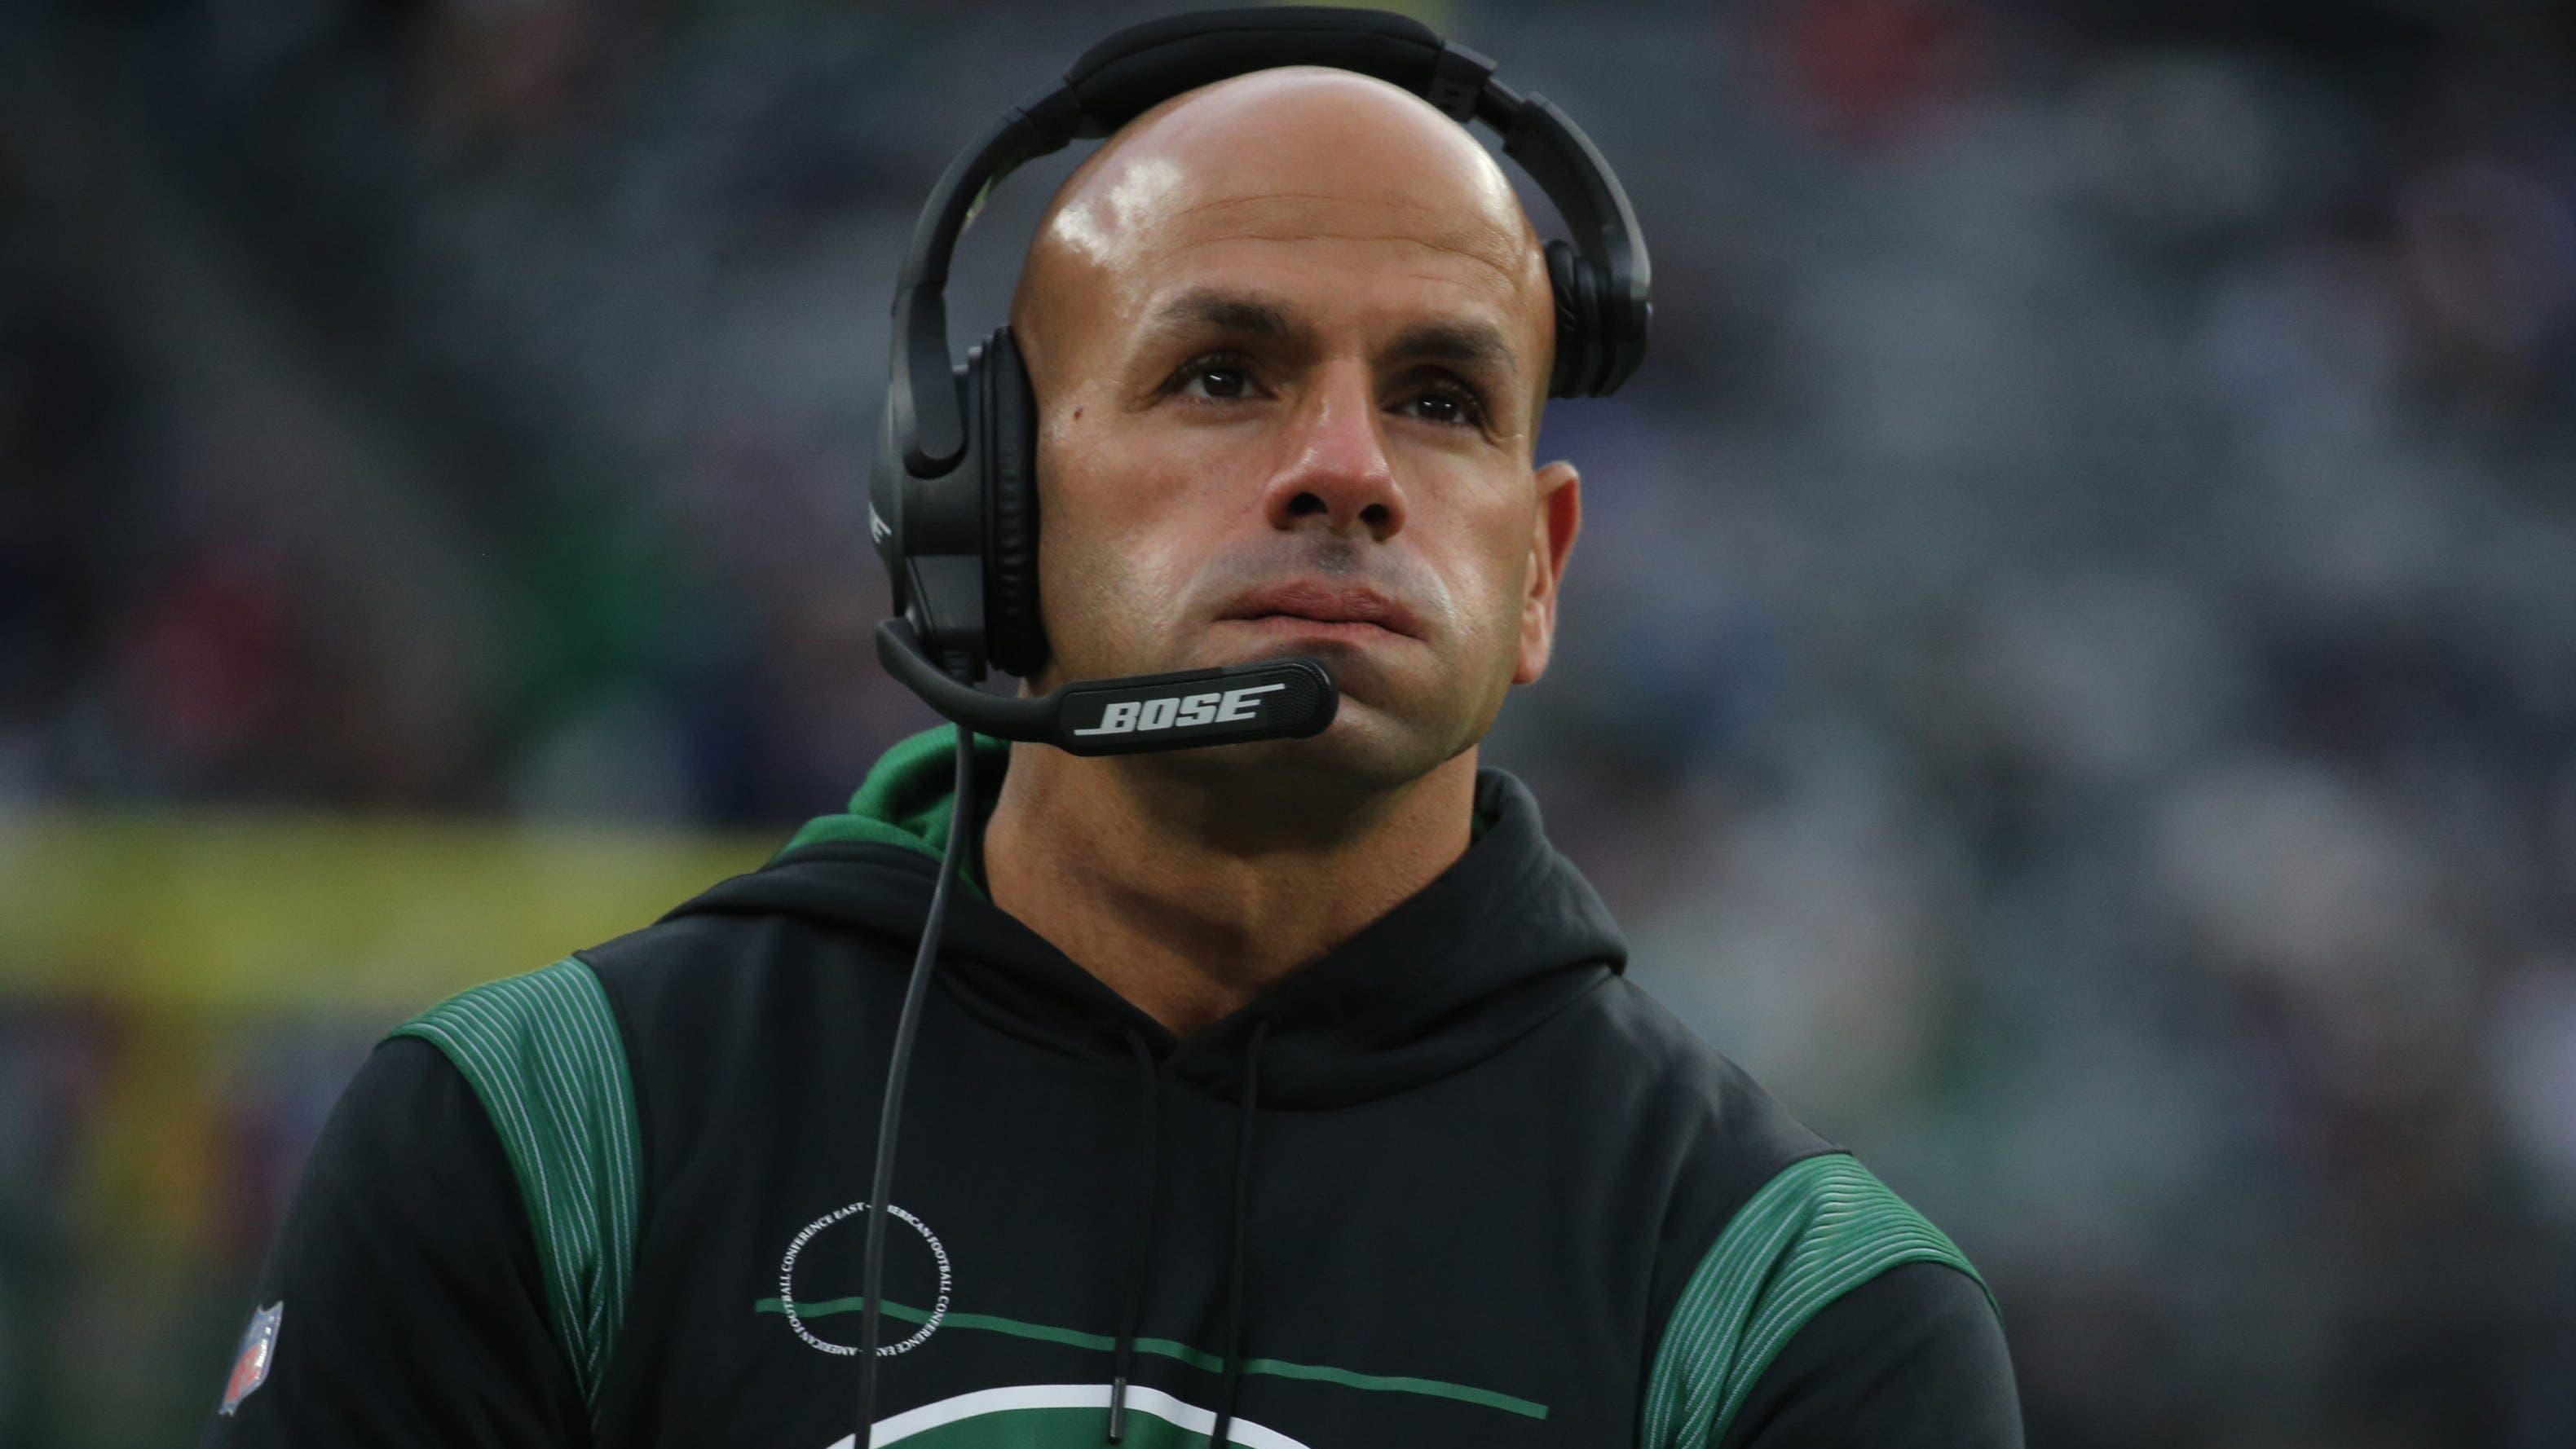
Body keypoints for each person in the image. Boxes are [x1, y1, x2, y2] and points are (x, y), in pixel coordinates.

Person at [201, 48, 2022, 1449]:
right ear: (987, 518)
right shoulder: (539, 1141)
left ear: (1536, 570)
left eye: (1441, 399)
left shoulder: (1788, 1311)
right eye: (1221, 373)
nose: (1346, 466)